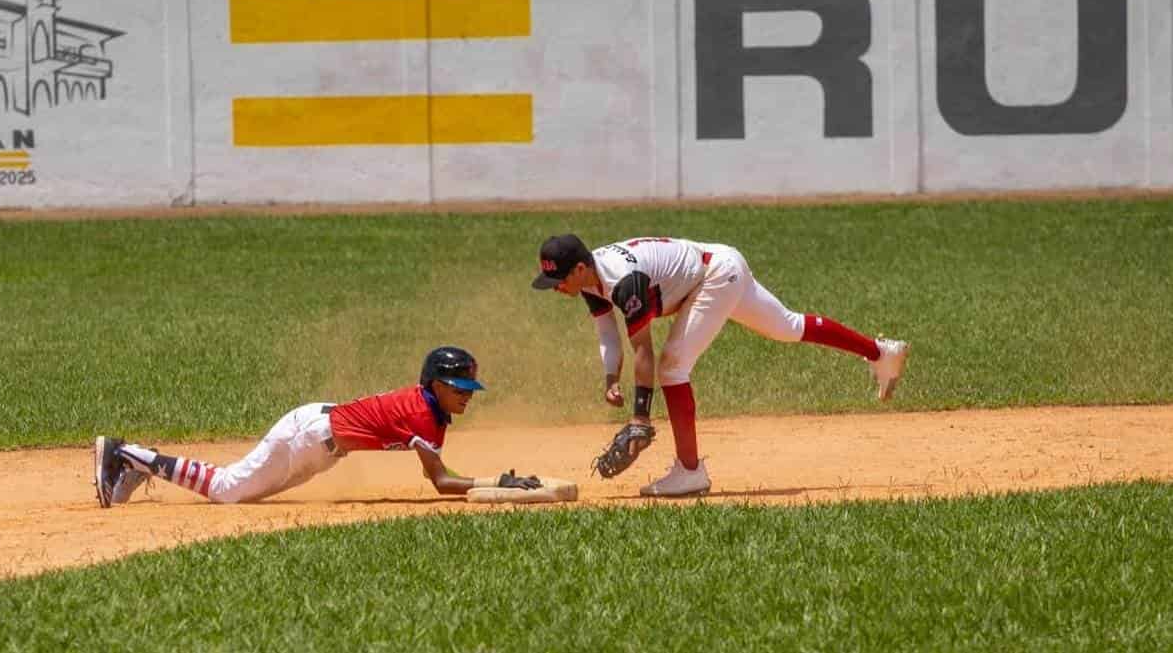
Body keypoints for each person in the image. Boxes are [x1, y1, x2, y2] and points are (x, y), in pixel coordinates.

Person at [531, 234, 909, 498]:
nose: (555, 287)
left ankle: (690, 472)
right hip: (720, 263)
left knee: (671, 368)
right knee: (787, 327)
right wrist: (610, 378)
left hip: (714, 276)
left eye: (558, 279)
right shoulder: (589, 280)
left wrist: (640, 418)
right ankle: (880, 353)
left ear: (580, 268)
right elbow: (608, 335)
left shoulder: (624, 281)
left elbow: (642, 349)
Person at [93, 346, 541, 507]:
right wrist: (499, 484)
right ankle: (128, 454)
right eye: (457, 385)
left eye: (469, 386)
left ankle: (143, 465)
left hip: (320, 441)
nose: (466, 393)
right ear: (434, 384)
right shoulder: (420, 413)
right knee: (228, 491)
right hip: (307, 437)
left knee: (239, 493)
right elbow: (441, 482)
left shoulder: (432, 409)